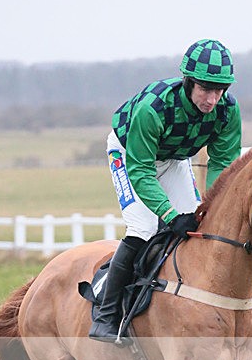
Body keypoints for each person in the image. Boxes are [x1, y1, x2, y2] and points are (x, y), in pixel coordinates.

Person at [89, 38, 242, 344]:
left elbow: (223, 165)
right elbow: (142, 172)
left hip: (173, 158)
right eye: (205, 89)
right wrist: (170, 215)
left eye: (219, 90)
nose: (212, 99)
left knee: (200, 223)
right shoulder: (153, 109)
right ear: (188, 82)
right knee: (144, 227)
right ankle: (107, 316)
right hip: (130, 154)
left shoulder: (227, 111)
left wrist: (211, 208)